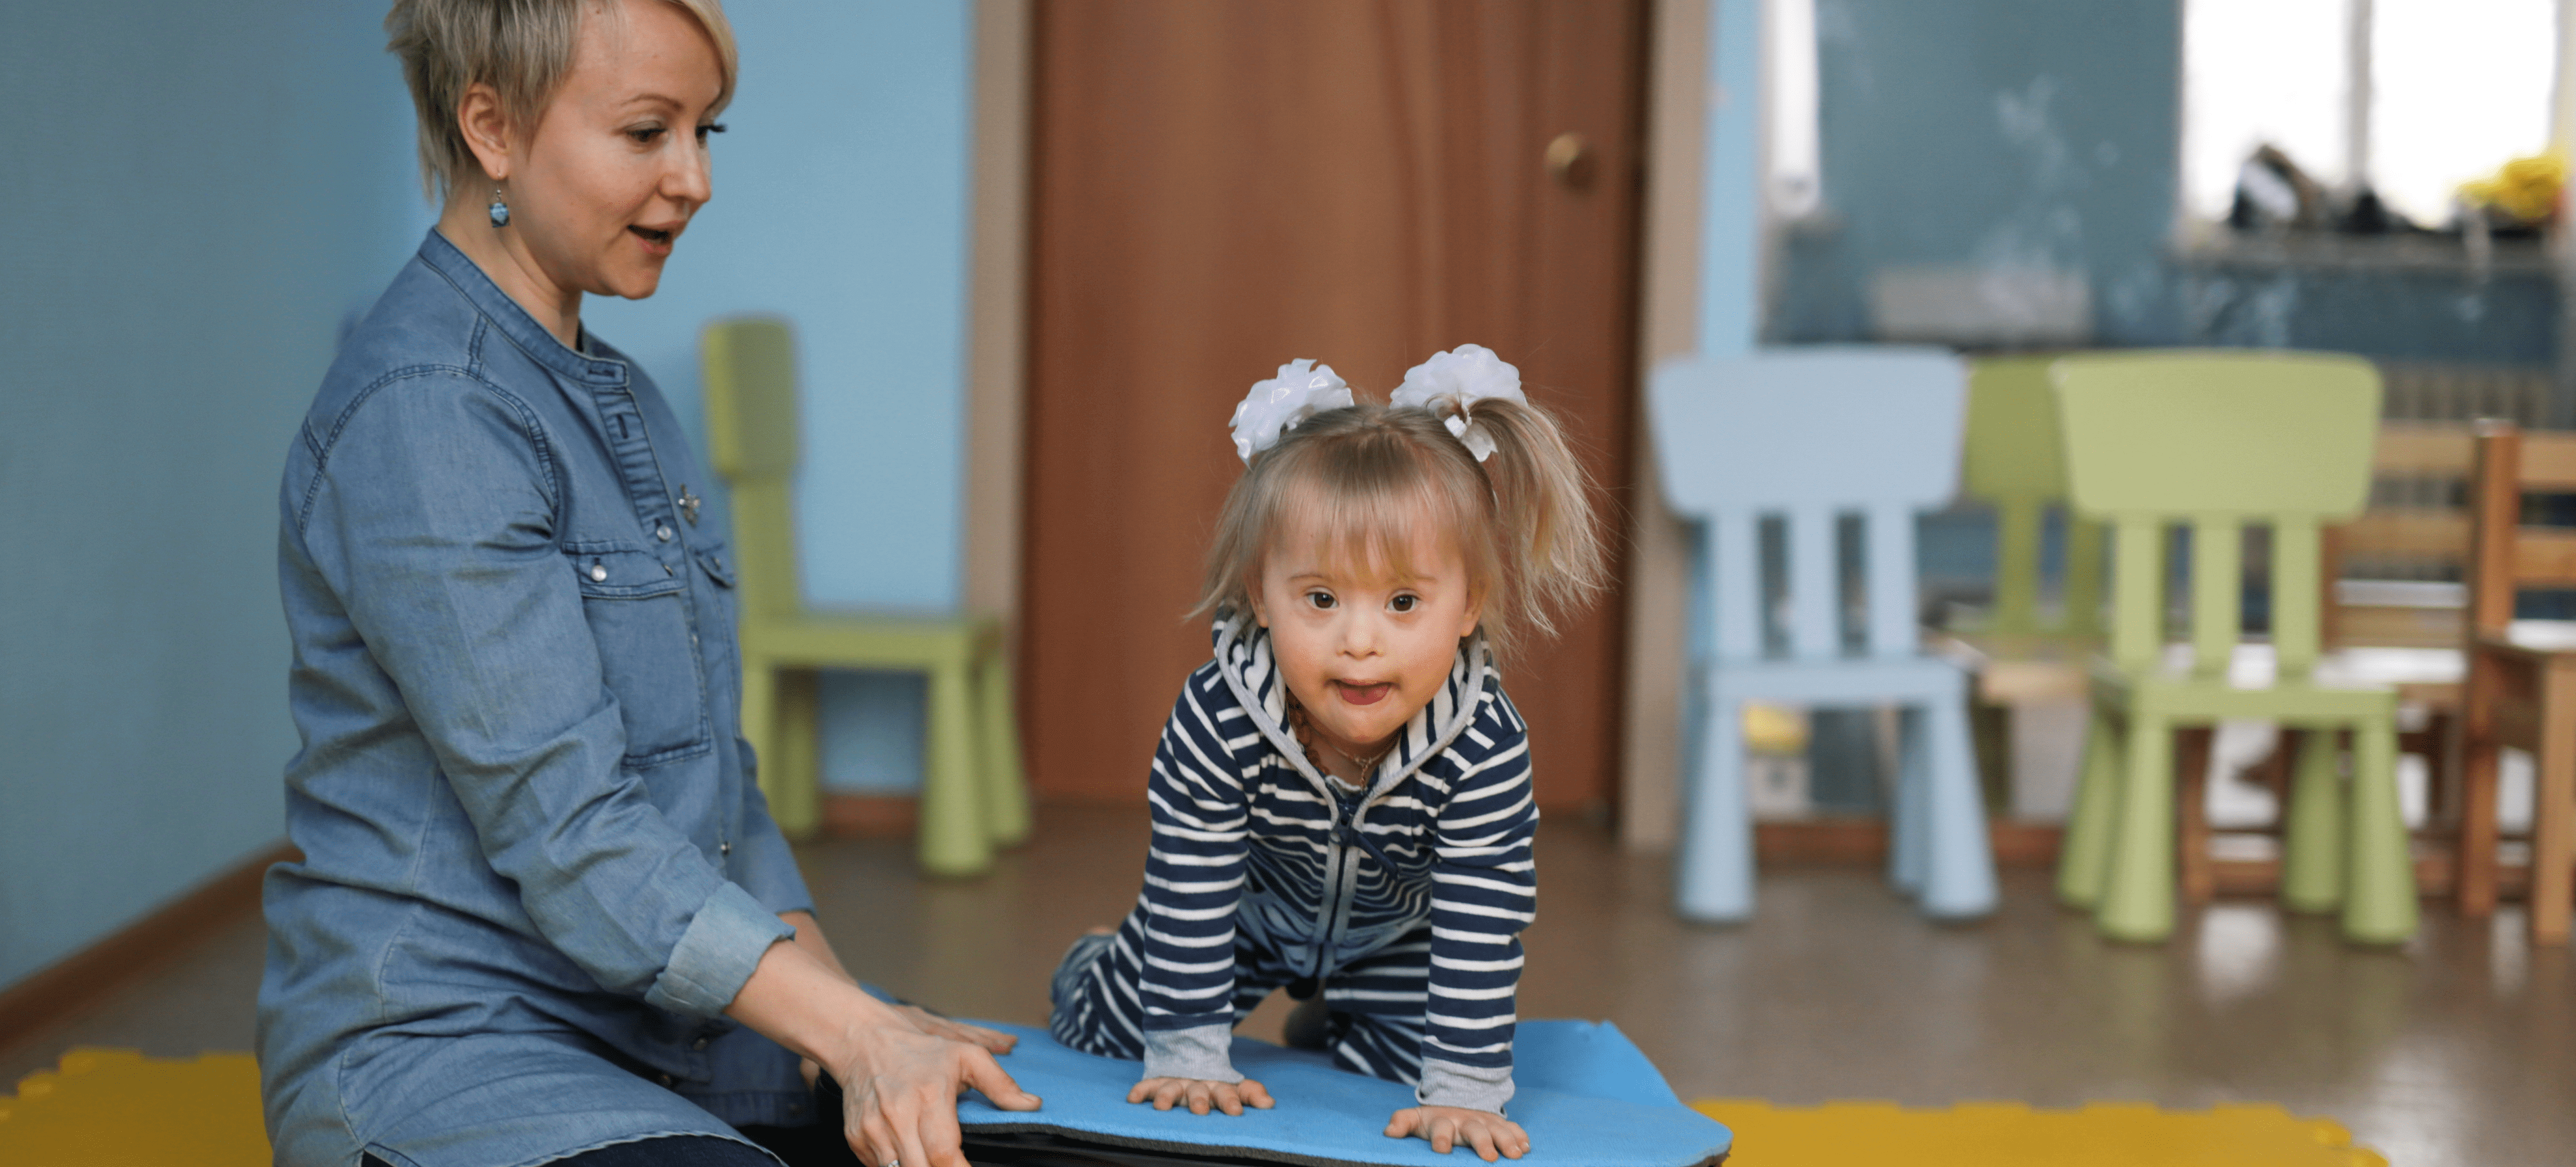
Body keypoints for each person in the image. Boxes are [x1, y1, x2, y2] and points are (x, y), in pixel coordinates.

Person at [256, 3, 1037, 1165]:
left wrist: (858, 1023)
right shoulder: (425, 410)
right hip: (451, 1047)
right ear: (493, 128)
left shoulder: (619, 397)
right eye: (646, 132)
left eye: (707, 131)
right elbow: (573, 832)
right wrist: (852, 1026)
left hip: (658, 1028)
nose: (695, 179)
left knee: (990, 1130)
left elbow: (721, 798)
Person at [1045, 345, 1604, 1163]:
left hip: (1395, 939)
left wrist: (1465, 1091)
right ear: (1258, 595)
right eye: (1320, 598)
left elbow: (1483, 917)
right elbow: (1191, 875)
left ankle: (1335, 1012)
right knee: (1105, 1033)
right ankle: (1091, 958)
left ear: (1469, 605)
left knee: (1391, 1083)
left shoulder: (1485, 742)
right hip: (1241, 914)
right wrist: (1191, 1057)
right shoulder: (1218, 715)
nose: (1360, 642)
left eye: (1405, 601)